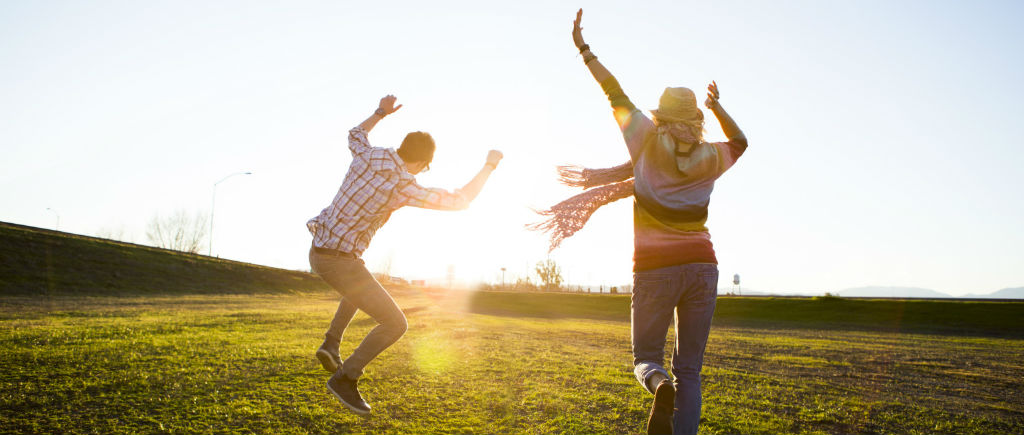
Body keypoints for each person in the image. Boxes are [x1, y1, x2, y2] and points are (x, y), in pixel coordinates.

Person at [533, 10, 748, 435]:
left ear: (662, 115)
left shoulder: (646, 138)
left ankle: (658, 384)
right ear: (696, 121)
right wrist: (718, 106)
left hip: (654, 269)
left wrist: (583, 48)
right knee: (691, 369)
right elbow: (741, 142)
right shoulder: (711, 158)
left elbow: (611, 90)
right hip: (703, 267)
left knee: (644, 359)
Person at [306, 95, 503, 415]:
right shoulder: (403, 184)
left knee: (361, 286)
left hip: (320, 250)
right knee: (395, 323)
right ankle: (345, 378)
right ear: (422, 164)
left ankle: (331, 342)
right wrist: (489, 166)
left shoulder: (368, 155)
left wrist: (381, 112)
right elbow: (459, 201)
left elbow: (355, 133)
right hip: (339, 260)